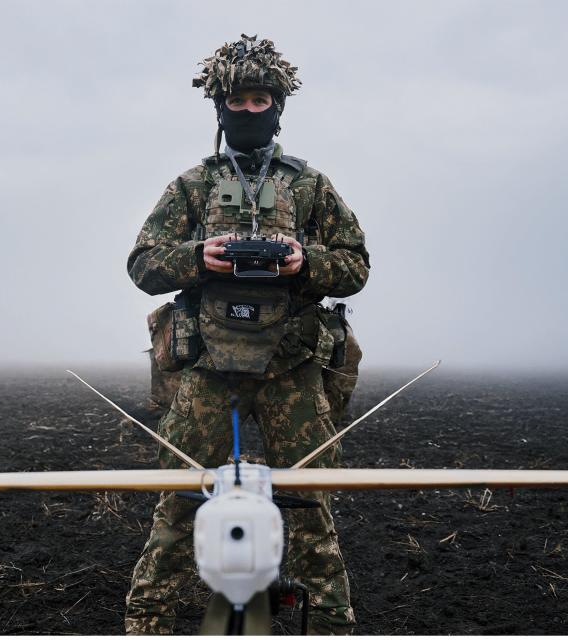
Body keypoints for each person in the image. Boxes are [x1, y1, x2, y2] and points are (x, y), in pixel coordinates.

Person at [125, 34, 370, 635]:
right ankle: (145, 624)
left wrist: (303, 261)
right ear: (220, 106)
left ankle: (334, 625)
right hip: (209, 366)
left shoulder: (310, 186)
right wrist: (197, 257)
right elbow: (142, 264)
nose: (250, 110)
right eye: (239, 100)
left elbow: (356, 265)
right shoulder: (193, 186)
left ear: (278, 106)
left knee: (311, 508)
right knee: (180, 503)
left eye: (262, 100)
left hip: (291, 366)